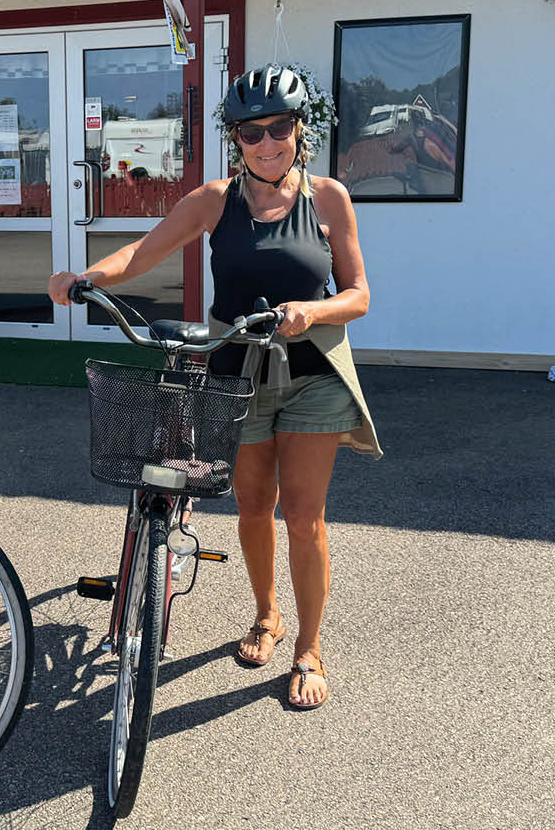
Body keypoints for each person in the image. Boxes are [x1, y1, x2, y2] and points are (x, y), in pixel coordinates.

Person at [50, 66, 383, 710]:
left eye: (279, 127)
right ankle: (266, 614)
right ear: (236, 138)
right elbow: (144, 254)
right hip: (235, 371)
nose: (267, 142)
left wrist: (312, 312)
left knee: (304, 515)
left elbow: (360, 295)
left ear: (298, 129)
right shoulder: (213, 200)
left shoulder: (329, 197)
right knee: (253, 505)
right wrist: (85, 276)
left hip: (312, 372)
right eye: (252, 131)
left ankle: (309, 647)